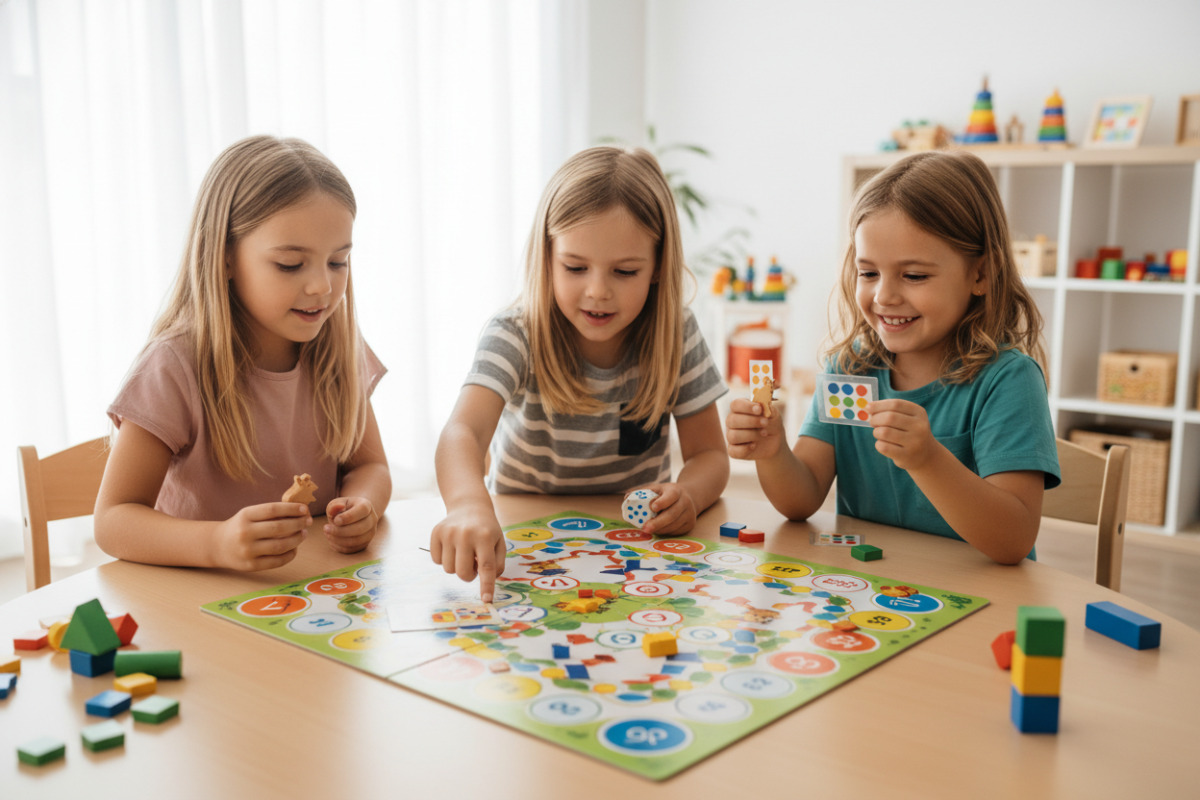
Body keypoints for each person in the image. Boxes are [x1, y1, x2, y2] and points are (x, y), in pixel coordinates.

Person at [726, 150, 1059, 564]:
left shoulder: (1009, 381)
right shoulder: (848, 368)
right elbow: (801, 500)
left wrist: (928, 459)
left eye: (914, 275)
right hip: (868, 598)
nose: (884, 296)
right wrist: (773, 452)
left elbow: (1013, 540)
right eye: (868, 273)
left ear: (980, 275)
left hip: (978, 601)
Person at [433, 145, 730, 601]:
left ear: (656, 268)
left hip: (637, 554)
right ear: (547, 257)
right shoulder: (515, 333)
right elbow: (462, 433)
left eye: (625, 271)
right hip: (523, 545)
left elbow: (710, 454)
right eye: (574, 267)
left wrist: (687, 495)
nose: (597, 292)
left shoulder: (676, 334)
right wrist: (469, 504)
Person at [95, 135, 391, 571]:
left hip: (310, 592)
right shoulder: (174, 365)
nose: (322, 288)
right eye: (291, 264)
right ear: (225, 257)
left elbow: (371, 467)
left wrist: (362, 505)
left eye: (338, 262)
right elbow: (113, 521)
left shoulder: (338, 344)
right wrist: (216, 543)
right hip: (195, 602)